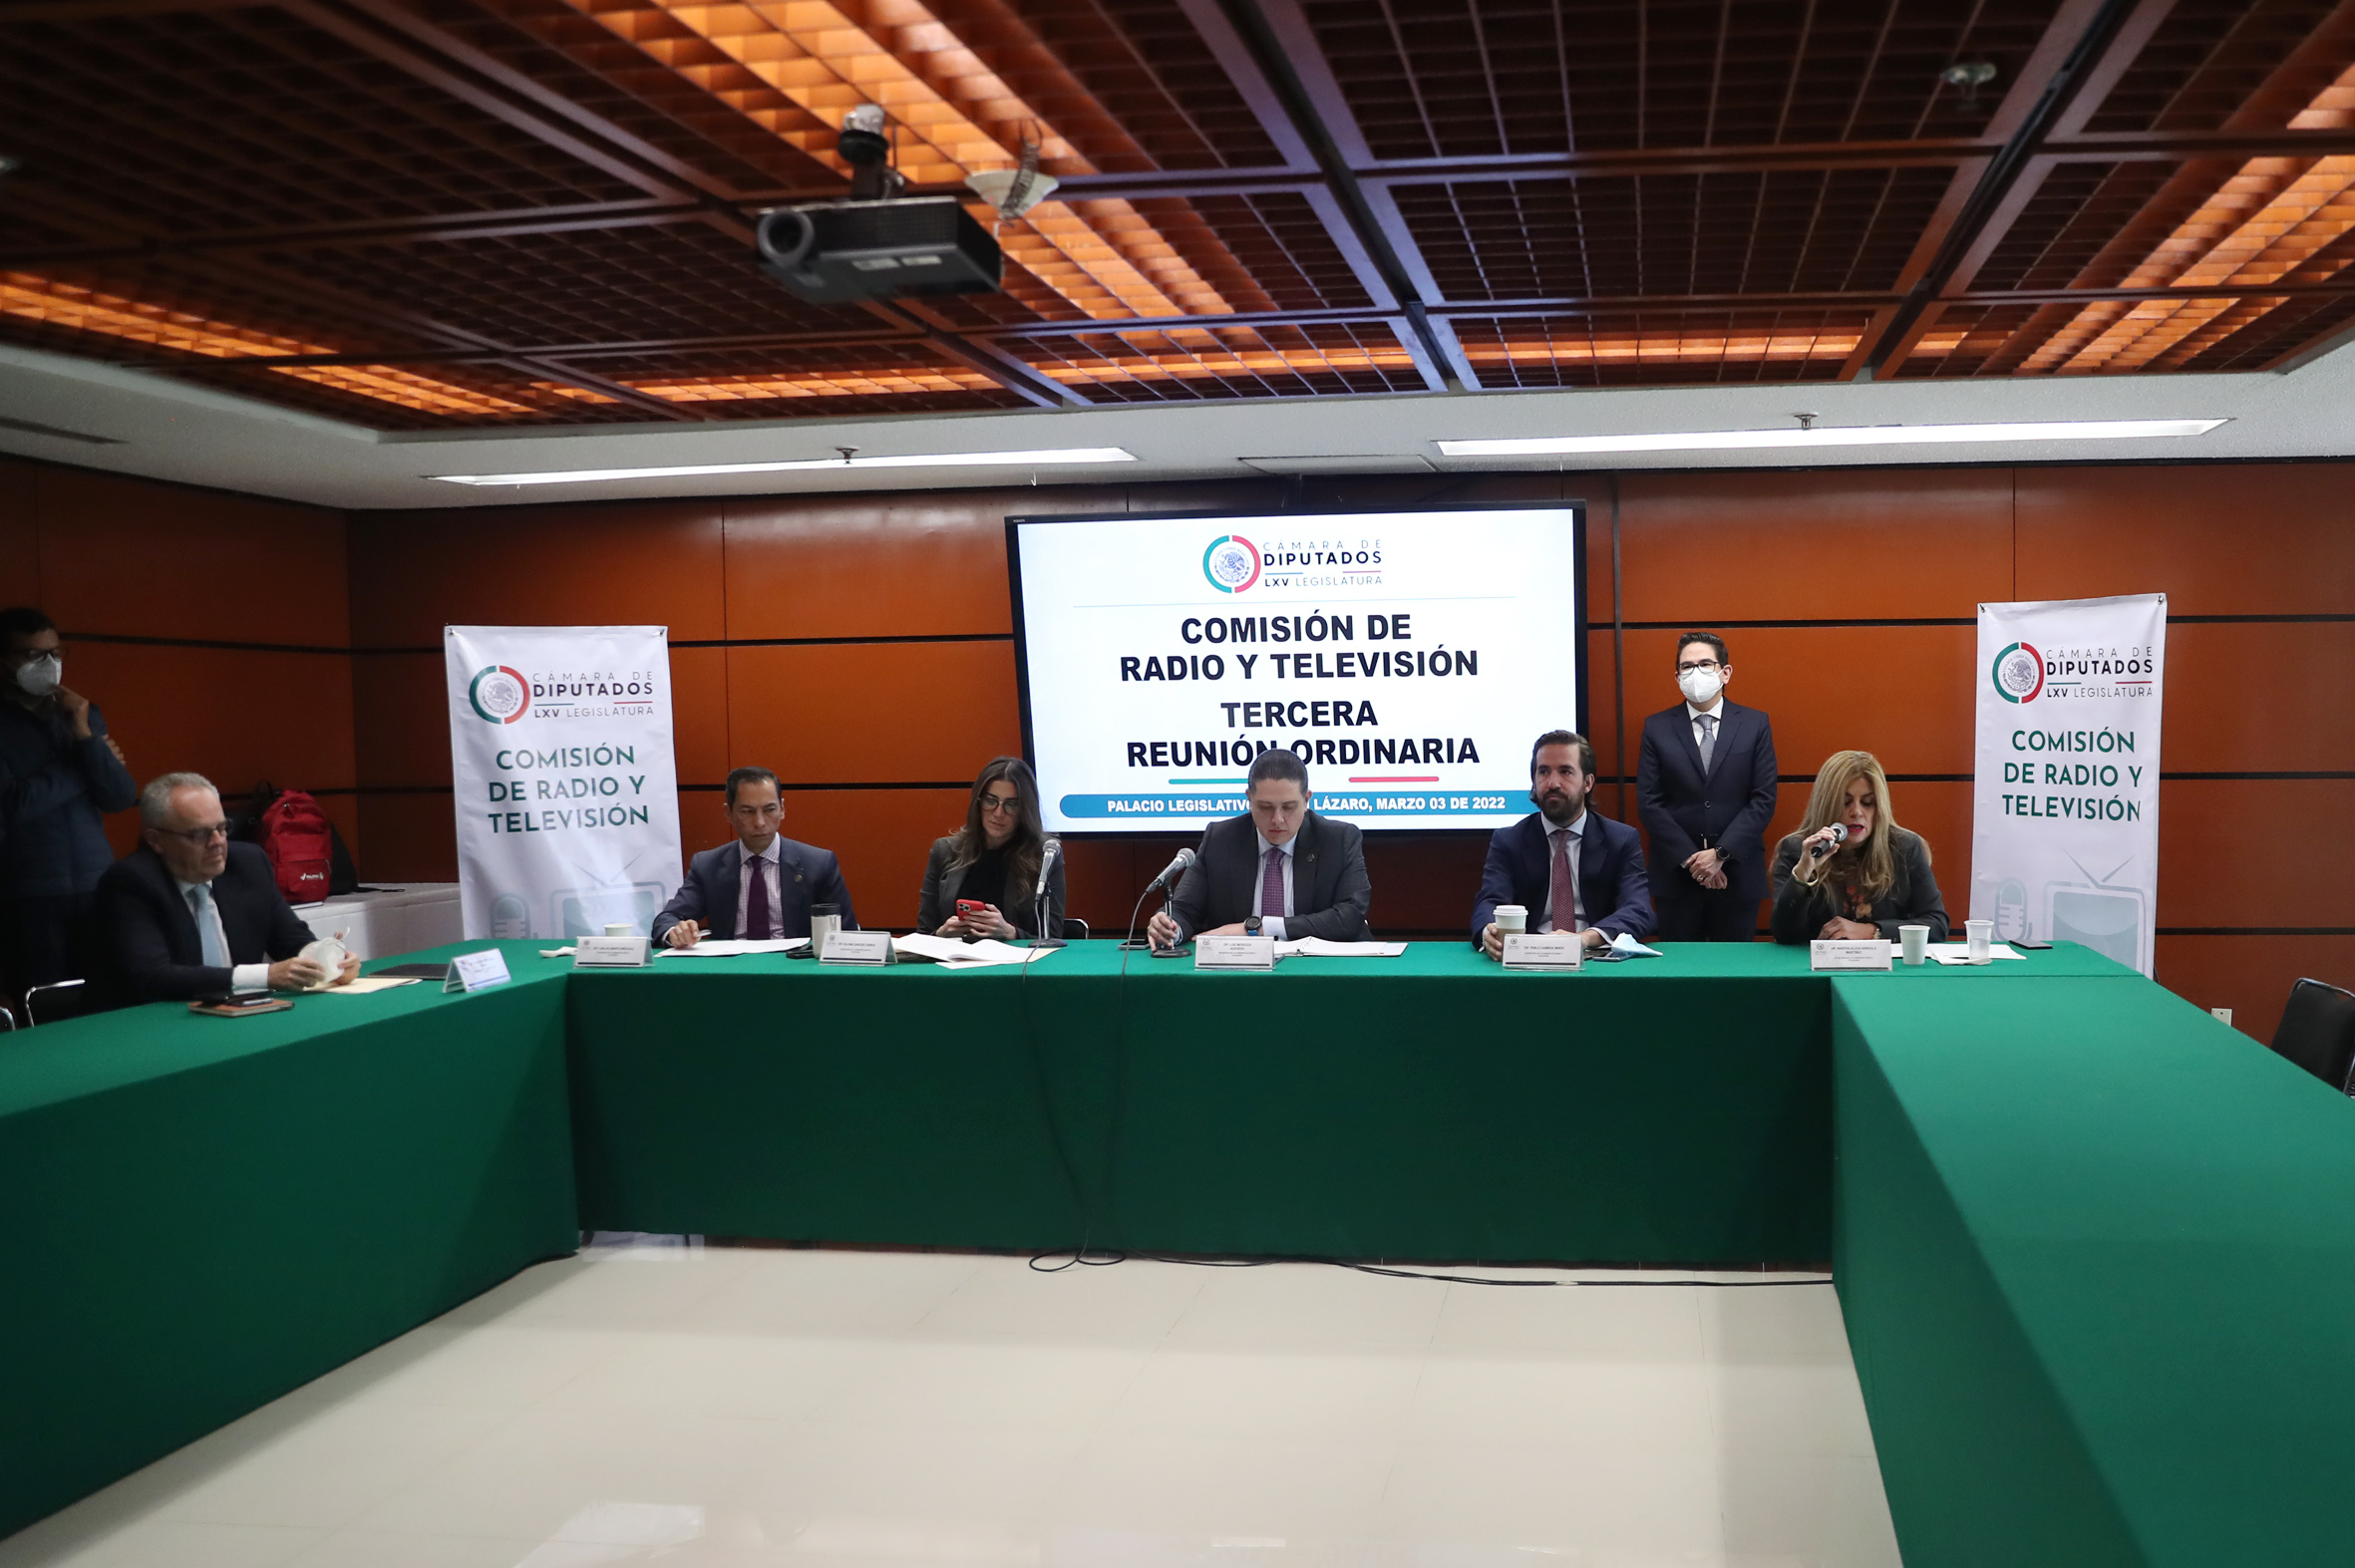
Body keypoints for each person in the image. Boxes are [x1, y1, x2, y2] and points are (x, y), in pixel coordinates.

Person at [95, 773, 358, 1004]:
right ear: (156, 840)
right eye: (199, 834)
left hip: (237, 1014)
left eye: (222, 828)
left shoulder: (248, 864)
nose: (217, 842)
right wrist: (265, 976)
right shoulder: (130, 882)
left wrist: (327, 959)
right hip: (152, 1023)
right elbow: (153, 977)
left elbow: (291, 939)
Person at [0, 606, 138, 1003]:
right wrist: (85, 761)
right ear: (4, 660)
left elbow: (119, 796)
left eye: (55, 653)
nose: (49, 663)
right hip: (28, 894)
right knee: (46, 1007)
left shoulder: (80, 713)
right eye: (33, 655)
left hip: (97, 884)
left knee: (107, 1001)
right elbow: (13, 805)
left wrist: (82, 733)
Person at [1149, 748, 1370, 949]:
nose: (1277, 819)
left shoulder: (1338, 840)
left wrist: (1257, 928)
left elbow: (1349, 917)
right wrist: (1169, 926)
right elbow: (1185, 909)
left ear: (1306, 800)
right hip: (1241, 970)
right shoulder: (1221, 839)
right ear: (1249, 799)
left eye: (1288, 807)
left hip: (1323, 968)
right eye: (1265, 807)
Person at [1636, 631, 1778, 942]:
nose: (1695, 673)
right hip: (1677, 876)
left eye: (1704, 664)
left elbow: (1763, 799)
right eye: (1687, 667)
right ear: (1677, 677)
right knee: (1679, 968)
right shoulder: (1657, 727)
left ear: (1725, 672)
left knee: (1735, 968)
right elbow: (1649, 801)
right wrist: (1693, 860)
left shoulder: (1755, 724)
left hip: (1738, 873)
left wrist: (1721, 854)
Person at [1472, 730, 1653, 956]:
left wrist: (1585, 938)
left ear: (1587, 783)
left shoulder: (1621, 840)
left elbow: (1638, 909)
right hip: (1529, 957)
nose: (1552, 783)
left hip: (1593, 956)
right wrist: (1488, 932)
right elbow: (1490, 901)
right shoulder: (1509, 841)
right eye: (1543, 772)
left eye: (1565, 772)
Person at [654, 766, 854, 946]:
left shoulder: (818, 865)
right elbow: (667, 920)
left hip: (795, 968)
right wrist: (676, 933)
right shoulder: (707, 866)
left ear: (782, 809)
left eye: (769, 810)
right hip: (731, 969)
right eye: (747, 812)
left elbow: (846, 933)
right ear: (728, 813)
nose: (760, 822)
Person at [1770, 751, 1949, 944]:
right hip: (1816, 960)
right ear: (1826, 805)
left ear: (1880, 809)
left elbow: (1937, 924)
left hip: (1887, 962)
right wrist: (1803, 874)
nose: (1857, 812)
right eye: (1845, 802)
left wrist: (1871, 931)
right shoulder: (1798, 849)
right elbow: (1784, 935)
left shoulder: (1905, 847)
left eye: (1868, 803)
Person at [917, 757, 1064, 940]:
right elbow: (924, 934)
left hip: (1013, 958)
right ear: (978, 802)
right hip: (953, 956)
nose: (998, 813)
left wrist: (1011, 933)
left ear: (1025, 810)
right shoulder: (945, 850)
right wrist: (942, 933)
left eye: (1011, 804)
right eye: (991, 801)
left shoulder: (1044, 855)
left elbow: (1052, 937)